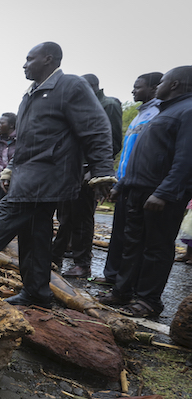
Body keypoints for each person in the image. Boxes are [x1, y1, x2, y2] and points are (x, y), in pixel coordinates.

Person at [0, 42, 115, 308]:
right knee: (35, 234)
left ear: (48, 59)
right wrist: (11, 168)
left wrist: (103, 171)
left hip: (49, 174)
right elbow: (26, 141)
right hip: (29, 172)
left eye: (30, 59)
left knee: (4, 217)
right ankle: (37, 292)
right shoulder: (30, 95)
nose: (24, 65)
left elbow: (96, 128)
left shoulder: (70, 86)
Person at [100, 66, 192, 317]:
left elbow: (186, 159)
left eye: (162, 82)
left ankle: (148, 300)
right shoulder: (165, 111)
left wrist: (164, 192)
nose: (158, 86)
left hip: (160, 194)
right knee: (132, 245)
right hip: (138, 190)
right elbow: (142, 156)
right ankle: (123, 291)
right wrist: (122, 184)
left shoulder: (187, 111)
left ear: (174, 84)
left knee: (156, 248)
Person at [50, 74, 124, 278]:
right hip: (71, 169)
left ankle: (83, 264)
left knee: (82, 218)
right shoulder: (80, 106)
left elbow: (111, 142)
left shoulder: (108, 105)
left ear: (88, 86)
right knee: (65, 216)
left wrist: (96, 169)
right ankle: (55, 256)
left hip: (88, 171)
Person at [97, 72, 163, 289]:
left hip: (142, 183)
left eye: (138, 87)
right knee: (119, 233)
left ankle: (129, 284)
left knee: (136, 238)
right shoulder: (140, 114)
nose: (133, 90)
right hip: (125, 180)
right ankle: (112, 276)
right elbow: (128, 153)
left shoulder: (158, 114)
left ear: (154, 88)